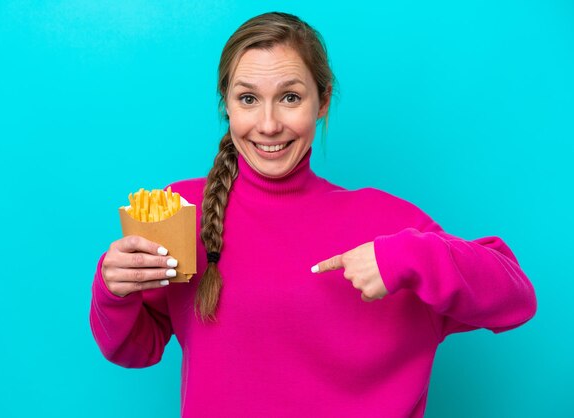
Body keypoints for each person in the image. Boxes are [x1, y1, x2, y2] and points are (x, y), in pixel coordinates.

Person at [89, 11, 537, 418]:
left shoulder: (384, 222)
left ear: (322, 102)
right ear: (226, 103)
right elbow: (134, 348)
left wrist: (411, 259)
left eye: (289, 98)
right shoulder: (181, 211)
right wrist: (114, 289)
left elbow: (516, 299)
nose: (267, 124)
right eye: (247, 99)